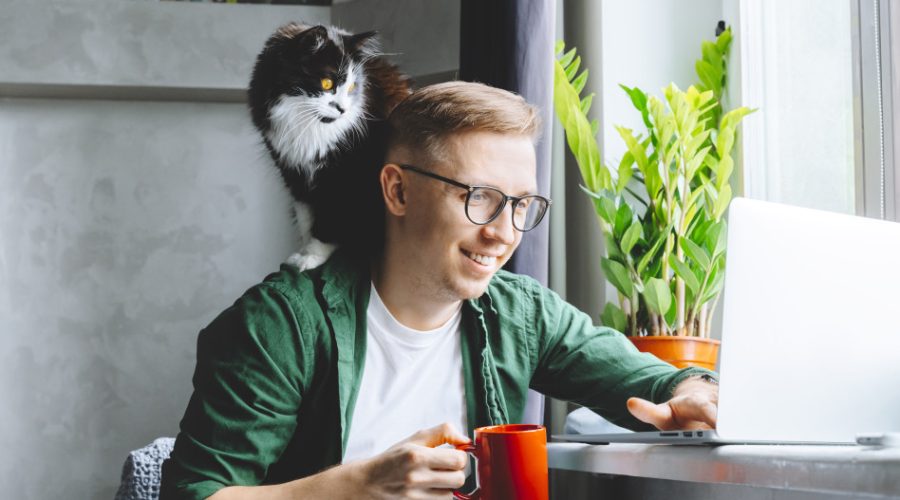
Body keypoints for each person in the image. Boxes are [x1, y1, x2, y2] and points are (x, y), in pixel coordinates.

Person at [160, 81, 719, 500]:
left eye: (521, 205)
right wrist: (354, 487)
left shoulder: (519, 314)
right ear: (398, 190)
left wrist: (694, 392)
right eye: (478, 196)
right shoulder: (281, 327)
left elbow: (656, 380)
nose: (503, 233)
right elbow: (195, 494)